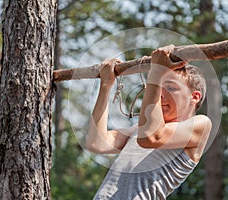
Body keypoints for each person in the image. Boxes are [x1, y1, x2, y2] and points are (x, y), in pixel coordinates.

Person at [86, 47, 212, 200]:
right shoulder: (140, 129)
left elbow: (151, 138)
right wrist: (106, 85)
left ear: (195, 97)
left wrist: (157, 73)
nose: (160, 94)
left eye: (171, 88)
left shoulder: (200, 125)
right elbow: (97, 143)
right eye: (159, 87)